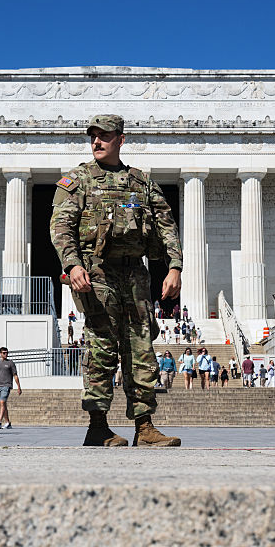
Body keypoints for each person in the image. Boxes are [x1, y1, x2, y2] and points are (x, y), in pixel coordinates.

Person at [50, 114, 182, 448]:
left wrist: (174, 266)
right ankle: (98, 426)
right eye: (92, 135)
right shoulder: (78, 180)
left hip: (135, 274)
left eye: (104, 136)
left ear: (120, 140)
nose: (96, 142)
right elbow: (61, 227)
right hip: (96, 273)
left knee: (141, 347)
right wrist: (72, 264)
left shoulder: (141, 182)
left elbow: (166, 226)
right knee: (102, 347)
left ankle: (145, 425)